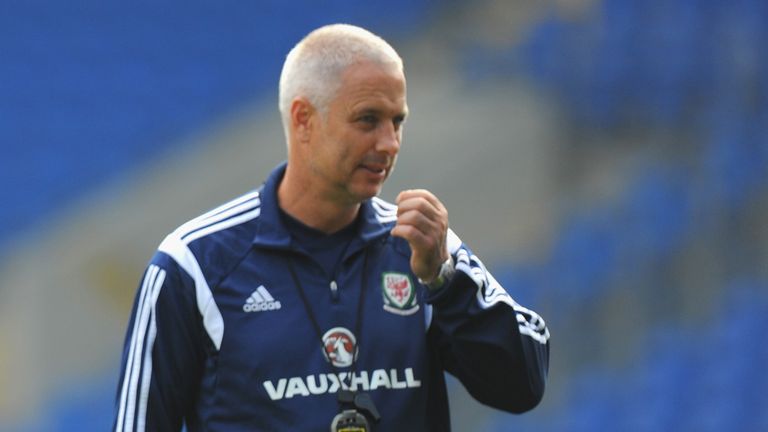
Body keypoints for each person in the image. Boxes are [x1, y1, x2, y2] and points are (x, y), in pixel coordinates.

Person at [113, 23, 550, 432]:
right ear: (303, 119)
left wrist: (444, 279)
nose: (389, 143)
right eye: (367, 120)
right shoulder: (194, 264)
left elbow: (521, 387)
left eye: (397, 121)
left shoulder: (423, 249)